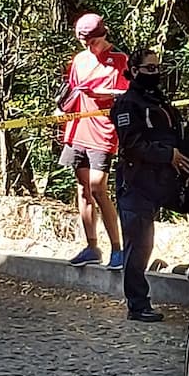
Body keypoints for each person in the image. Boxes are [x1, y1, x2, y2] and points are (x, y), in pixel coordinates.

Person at [110, 48, 189, 322]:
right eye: (148, 68)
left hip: (168, 181)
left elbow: (177, 136)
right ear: (134, 71)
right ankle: (138, 304)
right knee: (139, 243)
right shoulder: (127, 104)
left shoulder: (161, 101)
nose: (155, 73)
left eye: (157, 68)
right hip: (138, 182)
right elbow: (132, 145)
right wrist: (167, 155)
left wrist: (188, 161)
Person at [59, 13, 129, 270]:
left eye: (93, 42)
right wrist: (63, 109)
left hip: (104, 130)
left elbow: (130, 95)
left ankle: (118, 248)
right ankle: (91, 246)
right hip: (77, 128)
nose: (90, 47)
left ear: (103, 35)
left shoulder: (120, 60)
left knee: (99, 187)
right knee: (83, 189)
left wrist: (105, 94)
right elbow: (70, 90)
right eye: (85, 42)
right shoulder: (79, 60)